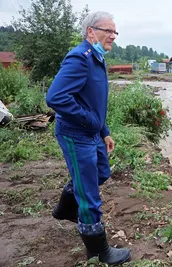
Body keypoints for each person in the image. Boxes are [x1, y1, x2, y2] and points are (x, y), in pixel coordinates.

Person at [46, 11, 131, 265]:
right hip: (76, 134)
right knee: (90, 193)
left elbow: (94, 102)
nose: (113, 36)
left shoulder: (97, 57)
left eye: (115, 32)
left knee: (102, 173)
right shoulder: (79, 59)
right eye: (109, 31)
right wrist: (92, 122)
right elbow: (56, 97)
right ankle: (99, 251)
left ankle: (65, 207)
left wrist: (104, 131)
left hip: (92, 133)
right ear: (91, 32)